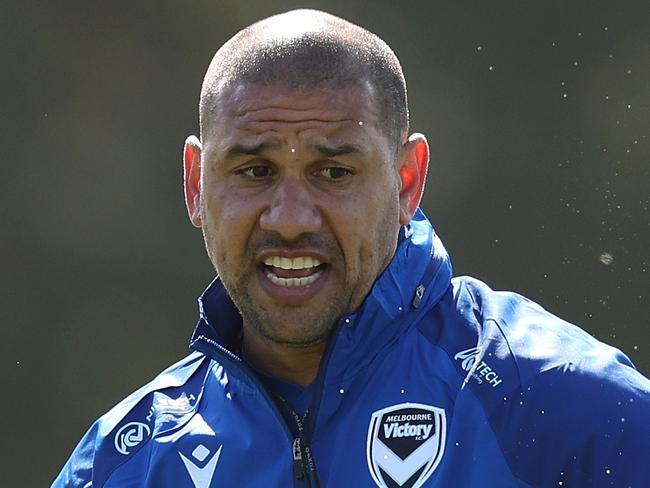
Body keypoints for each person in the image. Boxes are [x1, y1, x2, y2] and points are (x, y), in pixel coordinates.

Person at [53, 9, 650, 488]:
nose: (289, 220)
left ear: (406, 181)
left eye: (333, 172)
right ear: (196, 183)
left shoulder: (568, 410)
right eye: (254, 170)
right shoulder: (123, 464)